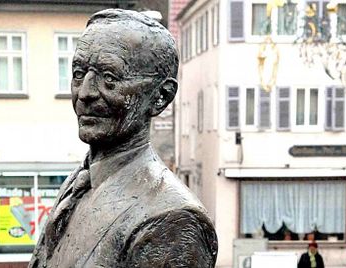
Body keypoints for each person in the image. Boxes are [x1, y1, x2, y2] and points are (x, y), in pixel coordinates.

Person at [28, 9, 218, 268]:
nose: (85, 93)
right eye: (79, 73)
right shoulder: (79, 183)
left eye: (109, 78)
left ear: (160, 96)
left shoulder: (172, 219)